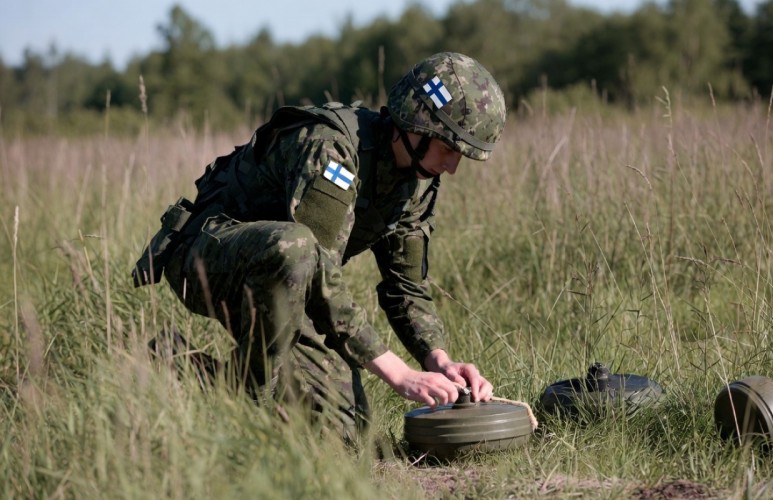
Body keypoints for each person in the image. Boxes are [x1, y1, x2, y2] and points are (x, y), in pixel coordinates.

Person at [132, 51, 507, 437]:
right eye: (449, 149)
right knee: (295, 246)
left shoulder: (416, 181)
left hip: (290, 287)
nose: (452, 166)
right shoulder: (333, 150)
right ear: (418, 123)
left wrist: (438, 359)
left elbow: (406, 287)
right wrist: (398, 372)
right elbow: (313, 264)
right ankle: (248, 415)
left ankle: (179, 365)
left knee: (348, 434)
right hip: (208, 262)